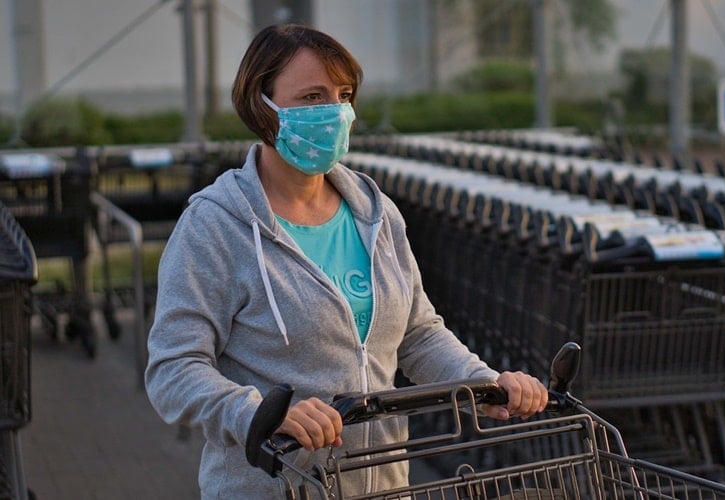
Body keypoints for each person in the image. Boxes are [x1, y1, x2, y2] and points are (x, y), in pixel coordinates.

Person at [144, 23, 548, 499]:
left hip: (382, 487)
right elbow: (173, 367)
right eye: (312, 97)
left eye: (343, 95)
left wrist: (483, 383)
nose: (334, 112)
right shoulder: (216, 226)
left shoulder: (375, 214)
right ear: (261, 105)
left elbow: (418, 334)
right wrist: (256, 414)